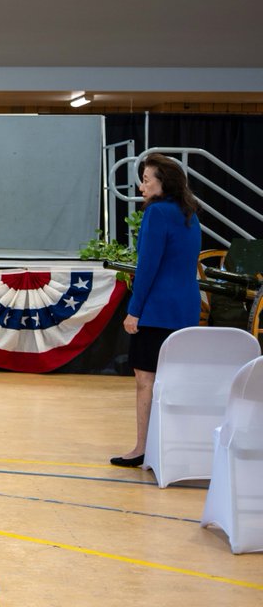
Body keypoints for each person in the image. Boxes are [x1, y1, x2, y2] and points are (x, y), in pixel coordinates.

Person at [110, 153, 202, 467]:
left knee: (145, 379)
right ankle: (171, 446)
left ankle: (141, 448)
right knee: (174, 380)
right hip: (187, 308)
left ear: (163, 183)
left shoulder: (157, 213)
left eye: (147, 179)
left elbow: (147, 267)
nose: (141, 185)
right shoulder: (190, 213)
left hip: (158, 310)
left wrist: (134, 311)